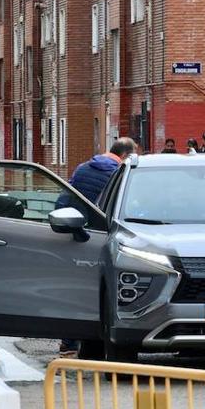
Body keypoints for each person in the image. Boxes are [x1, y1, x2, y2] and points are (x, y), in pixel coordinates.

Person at [55, 137, 139, 354]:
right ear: (126, 156)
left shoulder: (83, 169)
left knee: (76, 291)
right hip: (106, 239)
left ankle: (69, 342)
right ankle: (98, 341)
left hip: (79, 236)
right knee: (105, 292)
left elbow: (62, 202)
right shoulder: (122, 173)